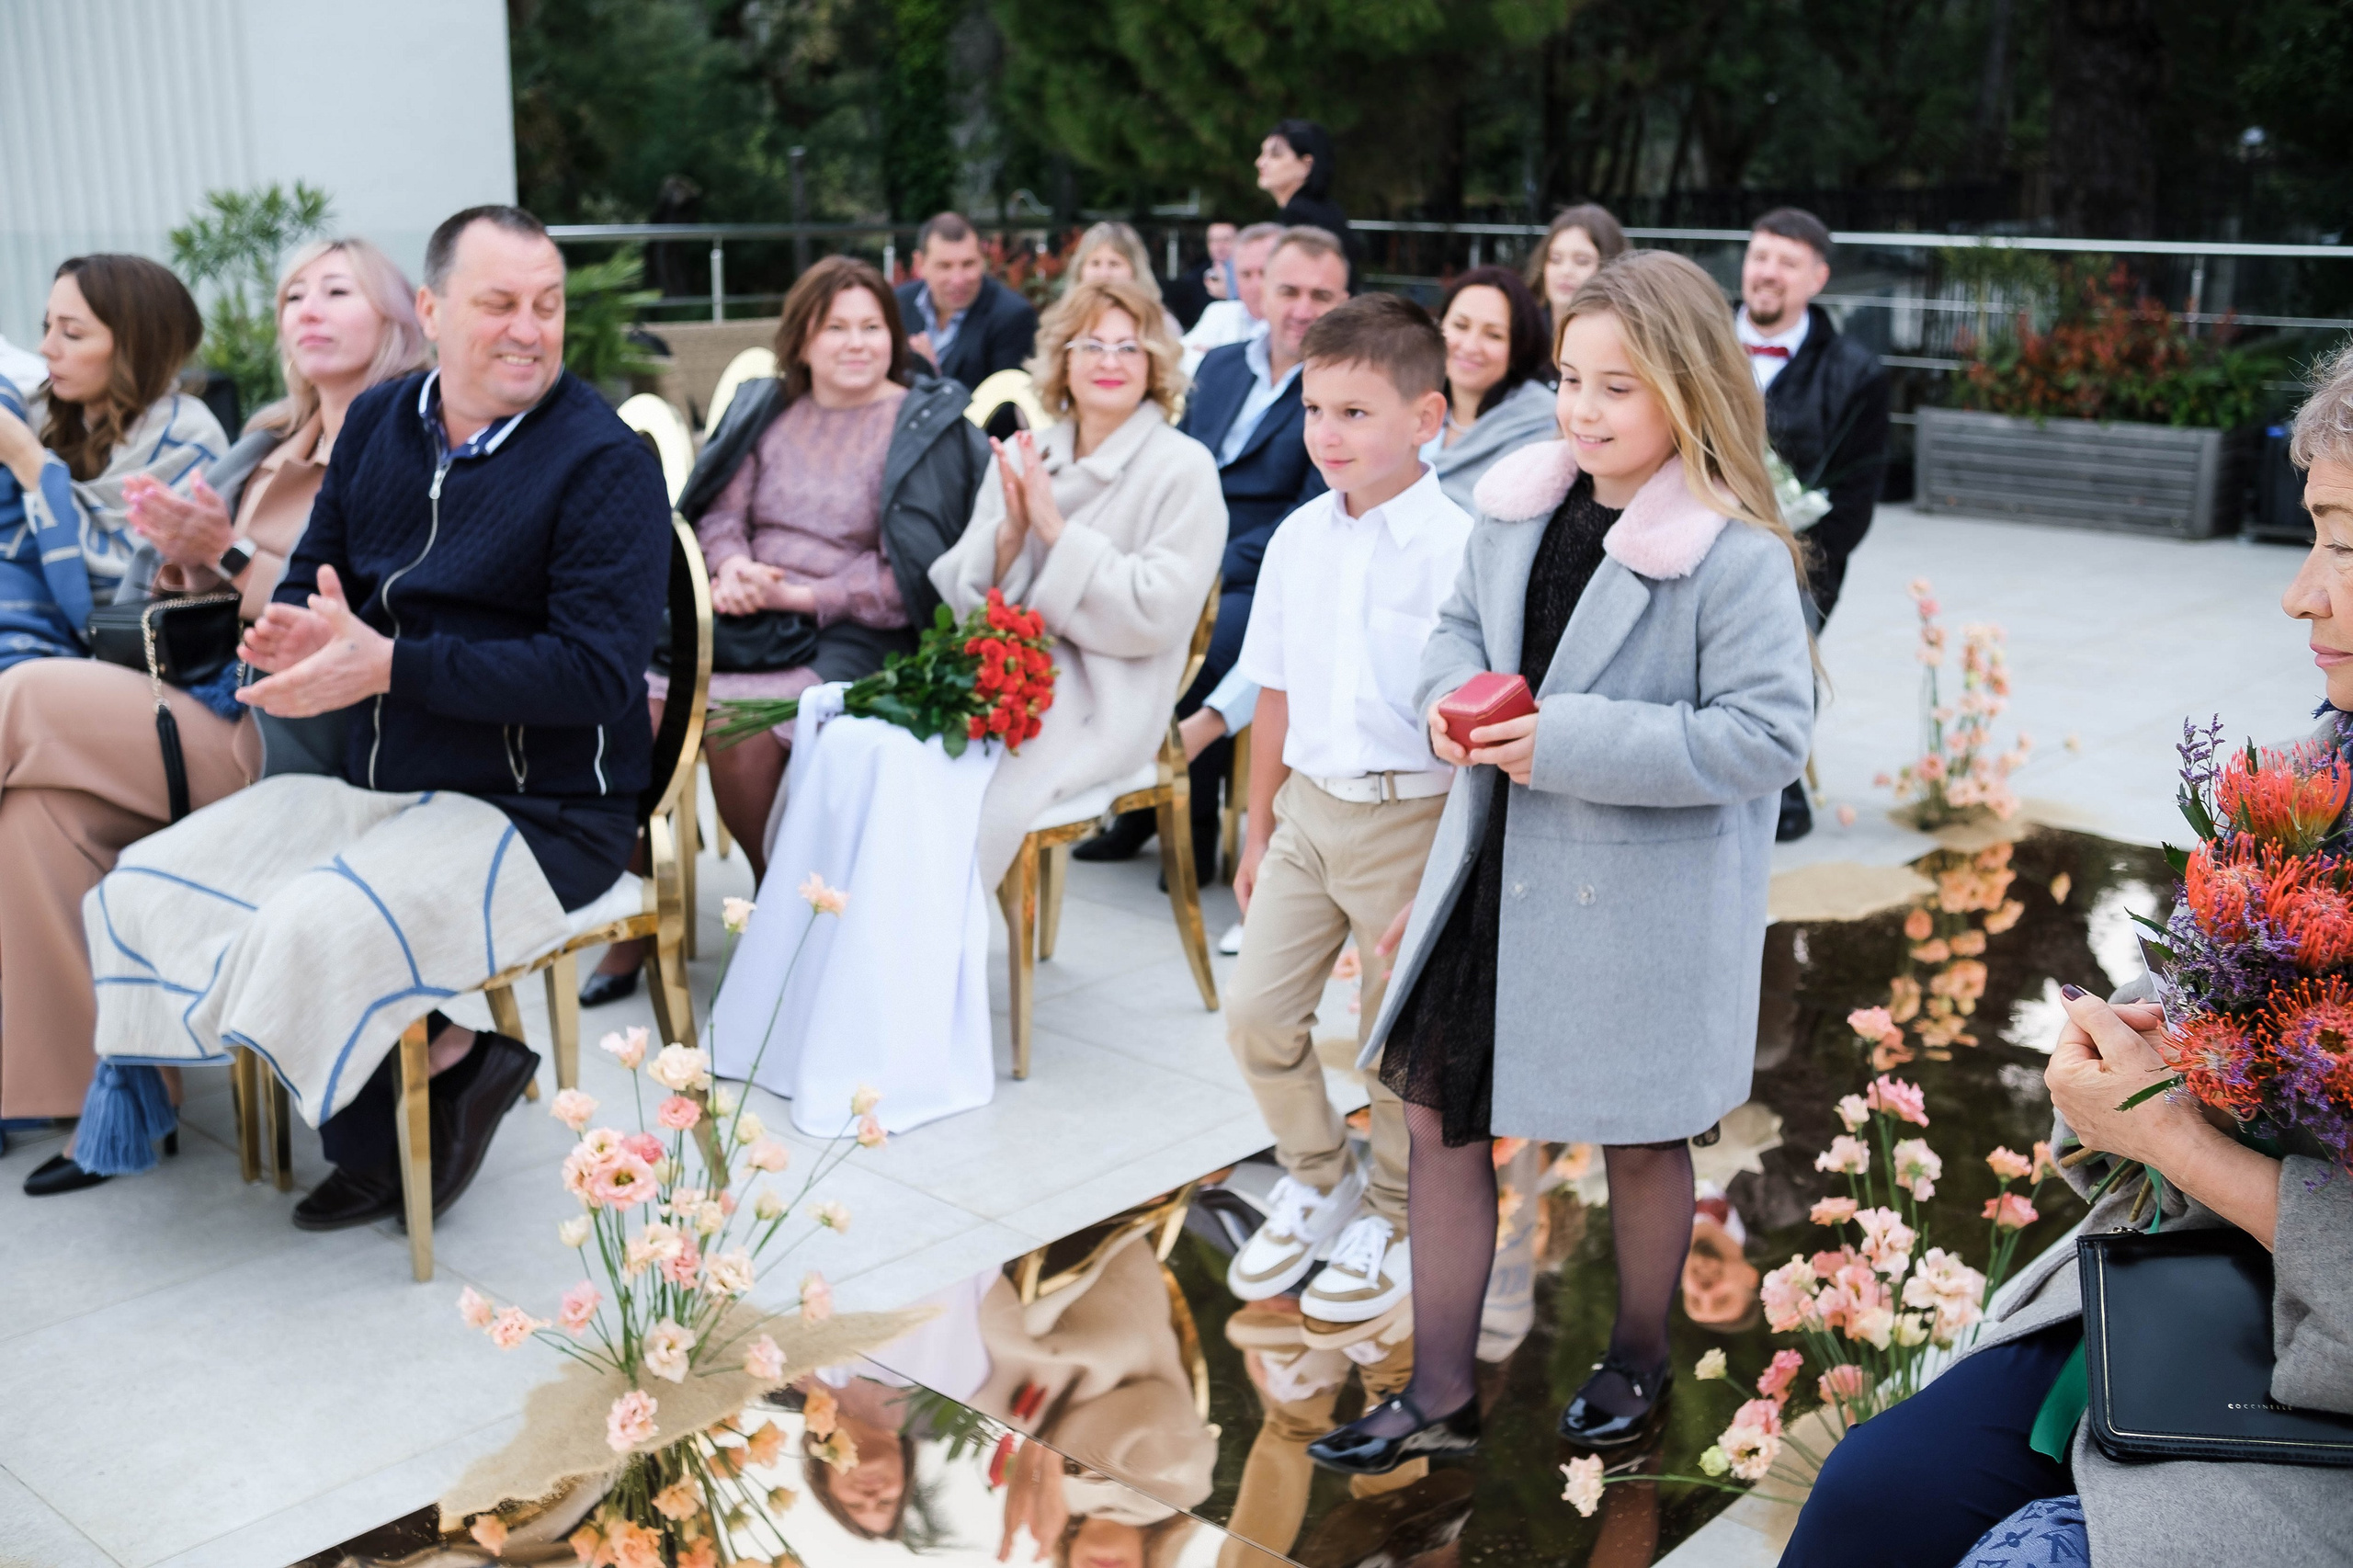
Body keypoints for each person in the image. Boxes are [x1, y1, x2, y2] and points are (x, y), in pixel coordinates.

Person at [1781, 347, 2353, 1568]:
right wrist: (2133, 1052)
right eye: (2314, 532)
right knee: (1873, 1492)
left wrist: (2178, 1139)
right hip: (2197, 1284)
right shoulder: (2317, 771)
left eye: (2346, 544)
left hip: (2312, 1368)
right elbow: (2196, 997)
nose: (2300, 594)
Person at [1305, 250, 1814, 1472]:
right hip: (1496, 870)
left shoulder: (1733, 552)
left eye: (1616, 388)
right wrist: (1447, 708)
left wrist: (1566, 740)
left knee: (1640, 1132)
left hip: (1635, 896)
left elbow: (1767, 736)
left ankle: (1637, 1353)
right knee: (1439, 1113)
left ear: (1687, 390)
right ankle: (1439, 1385)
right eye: (1571, 380)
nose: (1581, 410)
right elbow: (1452, 639)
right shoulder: (1515, 509)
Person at [78, 206, 672, 1229]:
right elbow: (316, 577)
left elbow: (597, 675)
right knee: (147, 886)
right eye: (499, 304)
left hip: (545, 811)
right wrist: (291, 640)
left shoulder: (603, 460)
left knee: (311, 924)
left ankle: (385, 1127)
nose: (529, 329)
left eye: (548, 305)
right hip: (380, 781)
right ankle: (454, 1054)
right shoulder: (382, 422)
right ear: (432, 312)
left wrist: (392, 666)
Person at [708, 277, 1223, 1134]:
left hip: (1097, 693)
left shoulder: (1182, 468)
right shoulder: (1031, 449)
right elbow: (960, 591)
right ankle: (811, 995)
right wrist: (1012, 533)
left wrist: (1055, 531)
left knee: (928, 786)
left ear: (1155, 363)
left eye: (1128, 346)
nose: (1108, 361)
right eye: (1090, 345)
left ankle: (899, 1026)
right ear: (1062, 359)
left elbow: (1154, 614)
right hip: (994, 667)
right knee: (852, 746)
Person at [3, 238, 426, 1194]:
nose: (307, 307)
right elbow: (195, 592)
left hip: (295, 739)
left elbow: (364, 613)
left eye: (337, 290)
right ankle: (103, 1106)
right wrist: (186, 560)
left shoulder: (407, 442)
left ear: (401, 315)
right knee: (36, 818)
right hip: (208, 695)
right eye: (293, 293)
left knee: (20, 696)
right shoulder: (272, 439)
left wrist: (225, 551)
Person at [579, 255, 988, 1007]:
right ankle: (638, 911)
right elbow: (719, 515)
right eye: (836, 328)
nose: (856, 343)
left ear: (894, 336)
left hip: (857, 627)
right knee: (627, 710)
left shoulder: (924, 427)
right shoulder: (768, 408)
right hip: (745, 611)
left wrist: (802, 594)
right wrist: (733, 569)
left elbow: (915, 573)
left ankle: (786, 910)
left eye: (872, 327)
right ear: (802, 338)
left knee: (739, 728)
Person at [1221, 294, 1472, 1332]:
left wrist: (1456, 866)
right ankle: (1320, 1175)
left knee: (1391, 1044)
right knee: (1256, 1015)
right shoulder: (1297, 538)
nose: (1327, 433)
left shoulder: (1459, 548)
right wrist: (1256, 829)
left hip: (1410, 822)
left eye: (1356, 412)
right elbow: (1273, 691)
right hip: (1307, 814)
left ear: (1426, 417)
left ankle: (1395, 1217)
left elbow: (1474, 724)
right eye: (1316, 409)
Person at [1077, 226, 1346, 881]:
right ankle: (1134, 800)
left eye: (1320, 295)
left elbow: (1312, 513)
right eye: (1288, 290)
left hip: (1262, 574)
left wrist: (1203, 563)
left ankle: (1189, 828)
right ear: (1261, 290)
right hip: (1180, 547)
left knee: (1199, 646)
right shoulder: (1221, 363)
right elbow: (1169, 461)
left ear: (1343, 301)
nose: (1301, 308)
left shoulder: (1341, 389)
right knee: (1105, 616)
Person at [1738, 207, 1889, 841]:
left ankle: (1779, 785)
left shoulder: (1857, 373)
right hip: (1686, 543)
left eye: (1787, 262)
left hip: (1802, 561)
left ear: (1818, 278)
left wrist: (1794, 562)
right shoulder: (1696, 342)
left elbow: (1855, 496)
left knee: (1778, 668)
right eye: (1760, 256)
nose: (1768, 272)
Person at [0, 255, 224, 671]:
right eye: (47, 328)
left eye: (72, 333)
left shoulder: (187, 435)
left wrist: (26, 460)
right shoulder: (35, 412)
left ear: (135, 347)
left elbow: (123, 585)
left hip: (126, 664)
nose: (46, 348)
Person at [1422, 266, 1558, 514]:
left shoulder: (1541, 430)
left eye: (1493, 335)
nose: (1470, 346)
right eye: (1460, 325)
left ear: (1518, 348)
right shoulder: (1407, 403)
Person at [897, 211, 1040, 390]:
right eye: (944, 266)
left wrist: (931, 374)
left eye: (968, 264)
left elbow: (1006, 402)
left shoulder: (1013, 316)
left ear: (983, 259)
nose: (958, 279)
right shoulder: (898, 304)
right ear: (920, 264)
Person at [1257, 120, 1353, 282]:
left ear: (1306, 165)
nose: (1260, 163)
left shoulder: (1299, 216)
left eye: (1275, 155)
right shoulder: (1323, 209)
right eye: (1262, 154)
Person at [1180, 222, 1281, 374]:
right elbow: (1177, 354)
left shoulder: (1301, 322)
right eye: (1246, 274)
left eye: (1264, 272)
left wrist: (1215, 357)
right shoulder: (1219, 313)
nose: (1256, 285)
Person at [1524, 204, 1627, 341]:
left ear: (1610, 268)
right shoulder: (1523, 332)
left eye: (1581, 261)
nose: (1565, 271)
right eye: (1555, 259)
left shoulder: (1622, 339)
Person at [1066, 222, 1184, 340]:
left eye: (1114, 264)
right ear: (1080, 269)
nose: (1104, 274)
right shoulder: (1063, 321)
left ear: (1135, 270)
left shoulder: (1161, 324)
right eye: (1095, 263)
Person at [1166, 220, 1236, 331]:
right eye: (1213, 240)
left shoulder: (1253, 272)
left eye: (1226, 240)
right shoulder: (1195, 277)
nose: (1219, 246)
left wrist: (1230, 293)